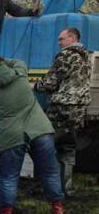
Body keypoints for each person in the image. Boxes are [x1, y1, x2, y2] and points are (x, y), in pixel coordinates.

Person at [0, 54, 64, 214]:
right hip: (40, 129)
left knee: (9, 176)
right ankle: (57, 208)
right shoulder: (20, 73)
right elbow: (19, 61)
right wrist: (2, 60)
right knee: (50, 172)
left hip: (11, 134)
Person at [34, 27, 92, 194]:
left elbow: (50, 83)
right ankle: (66, 187)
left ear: (72, 38)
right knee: (67, 147)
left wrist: (35, 85)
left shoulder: (65, 55)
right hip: (79, 109)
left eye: (61, 39)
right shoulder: (86, 56)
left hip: (61, 107)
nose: (59, 43)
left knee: (44, 144)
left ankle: (48, 187)